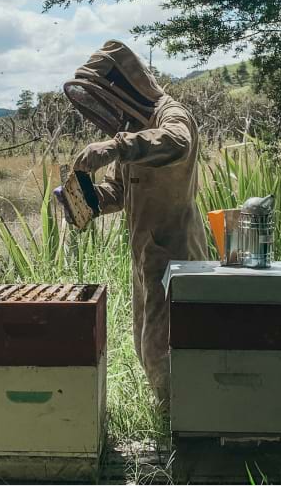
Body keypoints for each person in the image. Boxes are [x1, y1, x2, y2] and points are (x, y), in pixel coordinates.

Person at [59, 39, 207, 406]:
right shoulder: (136, 126)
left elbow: (177, 142)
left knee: (164, 344)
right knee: (144, 339)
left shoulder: (171, 114)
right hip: (145, 253)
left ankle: (183, 416)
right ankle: (170, 411)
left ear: (125, 85)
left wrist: (116, 146)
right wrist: (87, 200)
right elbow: (120, 190)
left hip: (176, 251)